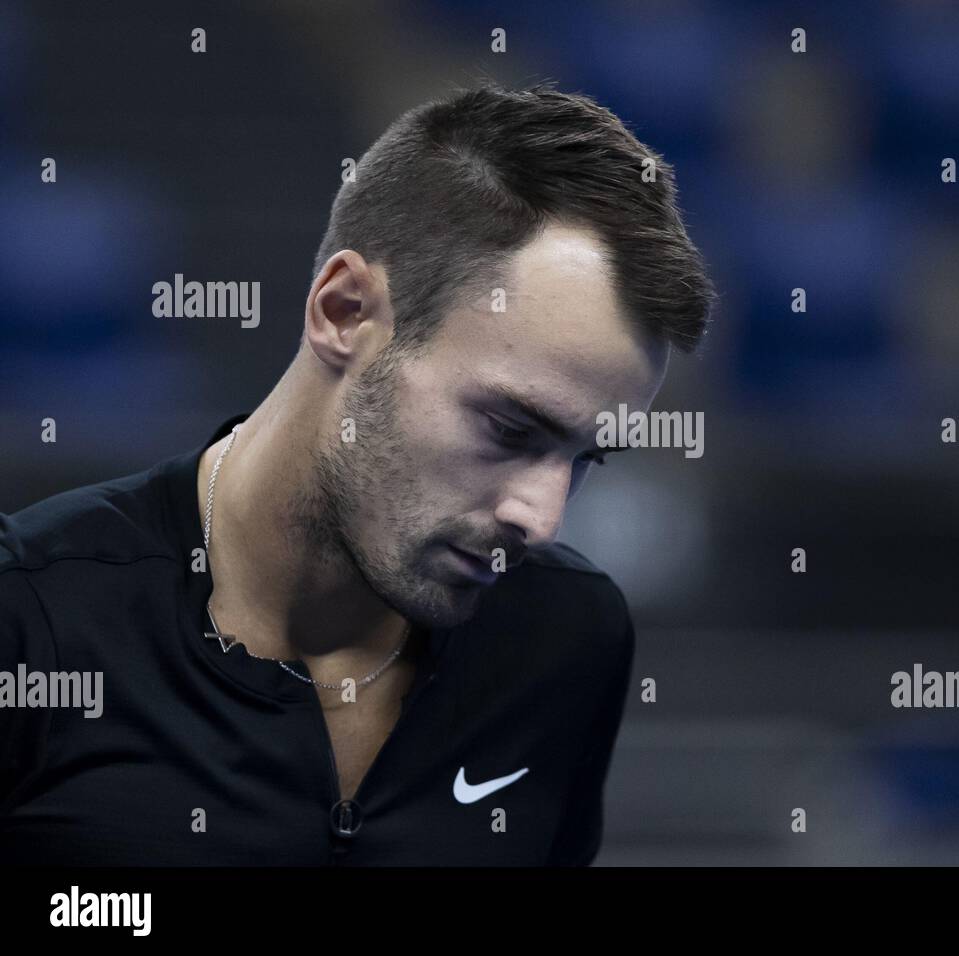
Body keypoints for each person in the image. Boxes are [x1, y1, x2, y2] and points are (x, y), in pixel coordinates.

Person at [0, 81, 715, 865]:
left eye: (586, 458)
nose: (540, 520)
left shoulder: (567, 639)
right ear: (344, 311)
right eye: (509, 428)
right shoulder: (31, 624)